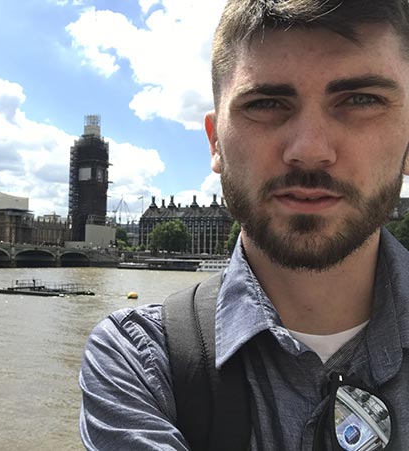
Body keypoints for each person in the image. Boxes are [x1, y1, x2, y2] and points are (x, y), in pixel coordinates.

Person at [79, 0, 409, 450]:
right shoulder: (139, 360)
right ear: (216, 142)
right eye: (266, 103)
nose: (310, 150)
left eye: (361, 100)